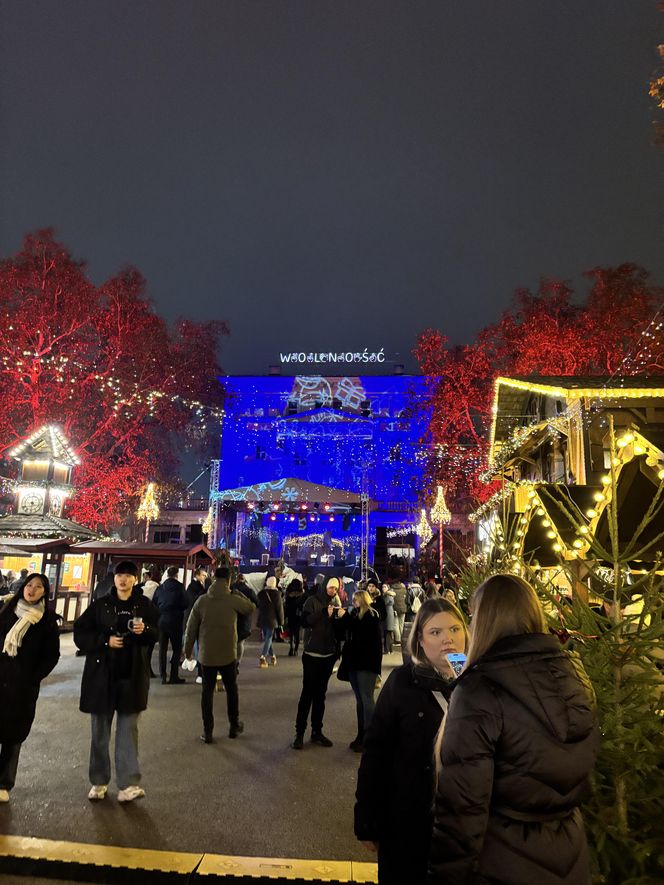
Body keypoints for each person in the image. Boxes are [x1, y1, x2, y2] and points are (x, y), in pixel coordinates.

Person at [427, 574, 599, 885]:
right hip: (570, 851)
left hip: (501, 859)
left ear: (486, 620)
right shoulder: (575, 677)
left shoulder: (480, 690)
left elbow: (462, 810)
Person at [355, 597, 468, 885]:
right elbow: (376, 752)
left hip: (464, 823)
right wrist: (368, 819)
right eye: (436, 632)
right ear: (420, 639)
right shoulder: (402, 682)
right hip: (407, 820)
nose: (448, 640)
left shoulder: (475, 683)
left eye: (455, 630)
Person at [74, 561, 158, 803]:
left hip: (132, 676)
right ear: (114, 579)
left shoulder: (144, 605)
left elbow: (157, 632)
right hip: (102, 676)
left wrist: (146, 630)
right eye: (119, 575)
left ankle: (128, 784)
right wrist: (104, 641)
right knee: (99, 731)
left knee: (128, 732)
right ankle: (99, 781)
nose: (123, 580)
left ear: (135, 578)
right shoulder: (101, 605)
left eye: (128, 576)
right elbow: (81, 633)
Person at [0, 573, 60, 803]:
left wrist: (32, 678)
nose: (32, 590)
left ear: (45, 592)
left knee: (13, 735)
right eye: (29, 585)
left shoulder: (46, 621)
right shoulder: (7, 612)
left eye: (38, 587)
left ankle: (4, 782)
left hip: (21, 688)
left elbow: (51, 656)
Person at [183, 566, 255, 743]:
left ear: (214, 579)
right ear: (229, 580)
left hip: (207, 655)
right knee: (232, 690)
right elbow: (251, 607)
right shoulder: (233, 599)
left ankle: (208, 731)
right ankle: (233, 725)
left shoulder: (202, 600)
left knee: (206, 693)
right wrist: (237, 592)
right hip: (228, 654)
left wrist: (187, 651)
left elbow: (191, 628)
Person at [291, 575, 347, 750]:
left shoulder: (337, 601)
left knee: (320, 695)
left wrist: (341, 618)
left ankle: (317, 731)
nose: (333, 591)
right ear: (324, 587)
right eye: (331, 588)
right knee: (307, 693)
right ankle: (299, 733)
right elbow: (306, 622)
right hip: (312, 653)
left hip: (327, 655)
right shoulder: (312, 601)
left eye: (336, 588)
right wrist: (323, 613)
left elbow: (338, 631)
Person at [342, 590, 382, 752]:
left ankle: (369, 736)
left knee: (366, 700)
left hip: (366, 664)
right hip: (356, 663)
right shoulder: (358, 615)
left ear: (363, 600)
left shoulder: (370, 616)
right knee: (361, 700)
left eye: (356, 599)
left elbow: (361, 636)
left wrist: (346, 617)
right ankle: (361, 734)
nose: (353, 602)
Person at [153, 566, 188, 684]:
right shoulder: (180, 587)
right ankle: (174, 675)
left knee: (162, 649)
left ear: (167, 575)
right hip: (175, 621)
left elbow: (154, 603)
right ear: (176, 575)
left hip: (162, 621)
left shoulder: (160, 588)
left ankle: (163, 675)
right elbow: (185, 603)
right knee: (177, 649)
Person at [184, 566, 208, 683]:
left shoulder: (199, 586)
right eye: (203, 575)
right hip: (194, 619)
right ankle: (199, 672)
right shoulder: (193, 587)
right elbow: (194, 601)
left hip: (197, 620)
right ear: (197, 575)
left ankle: (193, 664)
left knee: (197, 646)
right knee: (197, 646)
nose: (205, 577)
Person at [257, 576, 284, 668]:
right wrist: (281, 621)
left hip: (262, 619)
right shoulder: (277, 594)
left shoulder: (261, 593)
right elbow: (279, 609)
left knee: (267, 638)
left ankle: (273, 656)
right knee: (269, 638)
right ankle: (263, 657)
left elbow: (258, 605)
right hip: (272, 620)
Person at [232, 573, 258, 669]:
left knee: (231, 642)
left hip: (232, 617)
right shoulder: (249, 591)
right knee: (240, 642)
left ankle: (231, 661)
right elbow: (256, 603)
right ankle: (237, 662)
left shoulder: (231, 589)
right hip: (244, 619)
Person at [284, 578, 305, 656]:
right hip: (298, 615)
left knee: (291, 632)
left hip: (290, 615)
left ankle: (291, 648)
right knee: (297, 633)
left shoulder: (289, 595)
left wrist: (285, 615)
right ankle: (296, 649)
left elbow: (286, 606)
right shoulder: (302, 594)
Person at [389, 576, 408, 643]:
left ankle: (398, 639)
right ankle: (402, 638)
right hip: (403, 609)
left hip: (395, 609)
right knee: (402, 624)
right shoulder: (404, 589)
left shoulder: (391, 590)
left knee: (395, 624)